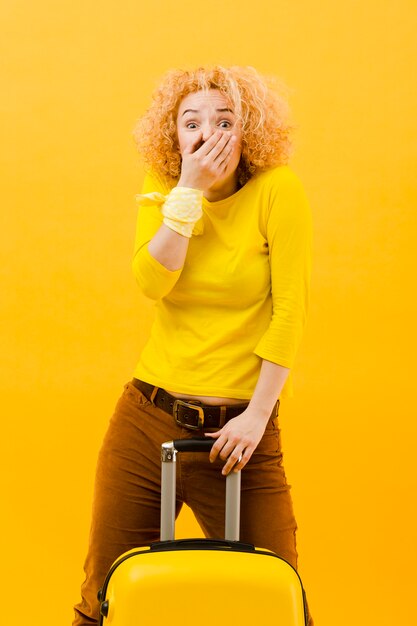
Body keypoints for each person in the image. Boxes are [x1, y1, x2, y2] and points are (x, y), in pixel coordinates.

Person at [73, 65, 313, 625]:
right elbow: (153, 284)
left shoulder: (279, 191)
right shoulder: (162, 192)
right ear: (173, 137)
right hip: (147, 419)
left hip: (241, 429)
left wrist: (257, 417)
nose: (208, 134)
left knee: (281, 596)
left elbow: (291, 310)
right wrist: (187, 193)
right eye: (191, 123)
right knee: (100, 595)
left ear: (248, 131)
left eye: (224, 120)